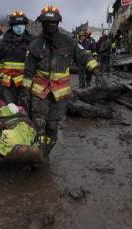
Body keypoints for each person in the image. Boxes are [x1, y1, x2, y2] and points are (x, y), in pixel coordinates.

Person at [23, 5, 104, 157]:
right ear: (42, 24)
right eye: (47, 23)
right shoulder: (35, 45)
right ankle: (37, 156)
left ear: (58, 23)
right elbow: (28, 73)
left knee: (52, 126)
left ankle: (45, 152)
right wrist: (25, 94)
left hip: (59, 96)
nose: (51, 26)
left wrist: (96, 70)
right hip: (40, 94)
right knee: (39, 124)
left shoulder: (69, 42)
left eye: (54, 22)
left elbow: (84, 56)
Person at [0, 10, 34, 105]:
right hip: (7, 82)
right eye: (16, 25)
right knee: (9, 107)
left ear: (25, 25)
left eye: (21, 25)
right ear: (12, 26)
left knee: (24, 106)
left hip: (25, 82)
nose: (19, 27)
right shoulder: (3, 42)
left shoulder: (32, 42)